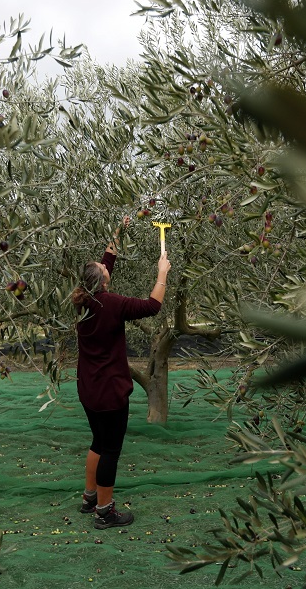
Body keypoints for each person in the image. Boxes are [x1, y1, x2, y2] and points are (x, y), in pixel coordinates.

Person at [71, 217, 171, 529]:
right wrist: (162, 273)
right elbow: (152, 306)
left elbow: (105, 262)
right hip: (110, 393)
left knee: (98, 443)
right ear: (102, 281)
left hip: (88, 389)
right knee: (111, 450)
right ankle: (105, 511)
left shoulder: (83, 301)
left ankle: (90, 498)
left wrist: (119, 231)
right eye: (102, 268)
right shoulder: (112, 303)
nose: (104, 265)